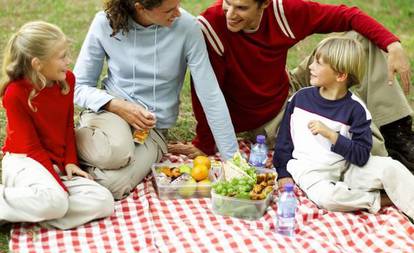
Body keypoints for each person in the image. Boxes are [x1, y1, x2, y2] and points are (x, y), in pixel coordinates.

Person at [169, 0, 414, 171]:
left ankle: (398, 134)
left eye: (242, 7)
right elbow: (206, 92)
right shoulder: (212, 26)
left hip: (289, 84)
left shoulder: (283, 12)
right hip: (268, 118)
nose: (230, 13)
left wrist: (392, 44)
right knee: (333, 132)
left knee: (362, 40)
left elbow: (347, 15)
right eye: (227, 3)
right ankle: (380, 157)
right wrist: (205, 142)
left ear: (264, 4)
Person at [73, 0, 238, 200]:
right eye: (169, 9)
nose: (178, 13)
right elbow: (78, 86)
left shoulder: (187, 27)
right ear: (140, 8)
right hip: (110, 113)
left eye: (178, 5)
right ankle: (65, 144)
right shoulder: (104, 24)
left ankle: (79, 165)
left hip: (152, 130)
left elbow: (210, 94)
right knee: (117, 152)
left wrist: (233, 160)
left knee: (113, 186)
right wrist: (116, 105)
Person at [273, 37, 414, 218]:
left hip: (348, 168)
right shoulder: (300, 100)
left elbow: (362, 156)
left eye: (318, 63)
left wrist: (333, 136)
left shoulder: (356, 109)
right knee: (328, 198)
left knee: (391, 167)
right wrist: (283, 173)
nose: (310, 66)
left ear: (340, 76)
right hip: (310, 171)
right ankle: (379, 199)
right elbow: (284, 142)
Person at [0, 21, 114, 229]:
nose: (68, 61)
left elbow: (67, 126)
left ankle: (26, 213)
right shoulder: (15, 94)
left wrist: (70, 161)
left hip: (56, 164)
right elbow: (31, 148)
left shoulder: (67, 80)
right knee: (57, 200)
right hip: (25, 161)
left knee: (104, 201)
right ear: (37, 64)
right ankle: (15, 203)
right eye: (61, 57)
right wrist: (58, 186)